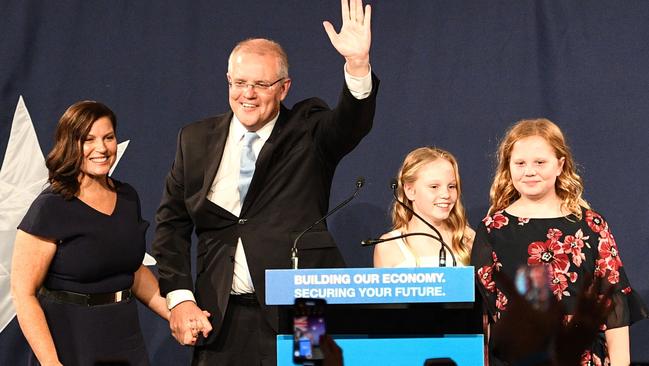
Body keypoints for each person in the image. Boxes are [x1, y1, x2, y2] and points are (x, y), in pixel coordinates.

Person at [150, 0, 378, 364]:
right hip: (220, 317)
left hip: (305, 309)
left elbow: (350, 123)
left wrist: (357, 65)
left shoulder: (309, 129)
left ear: (284, 88)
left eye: (260, 84)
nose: (248, 94)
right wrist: (179, 298)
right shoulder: (194, 139)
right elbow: (171, 227)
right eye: (239, 82)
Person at [471, 118, 649, 365]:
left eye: (540, 162)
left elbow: (613, 300)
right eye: (520, 163)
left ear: (560, 165)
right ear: (508, 167)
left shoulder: (590, 225)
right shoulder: (492, 229)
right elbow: (485, 312)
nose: (530, 171)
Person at [10, 101, 170, 366]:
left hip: (125, 339)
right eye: (89, 139)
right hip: (70, 343)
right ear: (70, 144)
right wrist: (51, 362)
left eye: (108, 137)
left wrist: (175, 313)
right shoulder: (51, 206)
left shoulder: (128, 197)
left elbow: (131, 270)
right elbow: (23, 293)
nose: (102, 148)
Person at [374, 147, 474, 267]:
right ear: (410, 190)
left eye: (451, 186)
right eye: (434, 187)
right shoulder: (389, 246)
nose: (446, 194)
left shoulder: (467, 238)